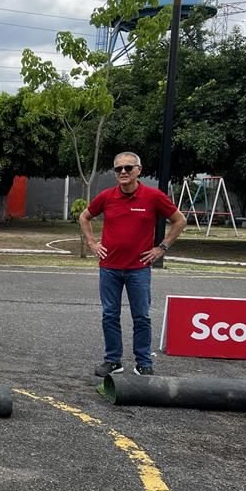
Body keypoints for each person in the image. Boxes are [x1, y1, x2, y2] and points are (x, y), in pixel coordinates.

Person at [79, 152, 187, 377]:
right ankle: (113, 361)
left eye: (128, 167)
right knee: (110, 315)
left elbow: (180, 220)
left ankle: (144, 363)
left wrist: (162, 247)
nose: (123, 172)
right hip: (109, 267)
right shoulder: (107, 197)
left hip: (139, 269)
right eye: (118, 169)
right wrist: (92, 242)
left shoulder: (153, 197)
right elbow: (84, 217)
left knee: (142, 316)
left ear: (139, 170)